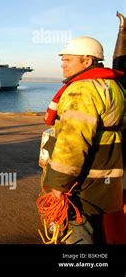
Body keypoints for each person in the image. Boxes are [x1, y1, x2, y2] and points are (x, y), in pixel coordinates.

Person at [39, 36, 124, 244]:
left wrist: (59, 186)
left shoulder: (82, 90)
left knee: (75, 232)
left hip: (79, 182)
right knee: (96, 229)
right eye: (63, 60)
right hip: (105, 175)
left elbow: (72, 144)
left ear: (87, 61)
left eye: (68, 60)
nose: (62, 64)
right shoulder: (113, 86)